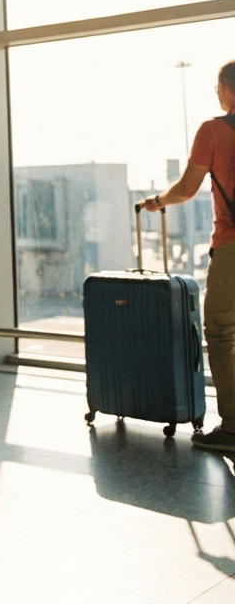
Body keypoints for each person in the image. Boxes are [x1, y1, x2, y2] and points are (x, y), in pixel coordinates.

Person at [138, 60, 235, 452]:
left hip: (232, 247)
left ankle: (232, 429)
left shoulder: (214, 131)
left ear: (226, 91)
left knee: (223, 332)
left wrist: (157, 202)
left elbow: (187, 188)